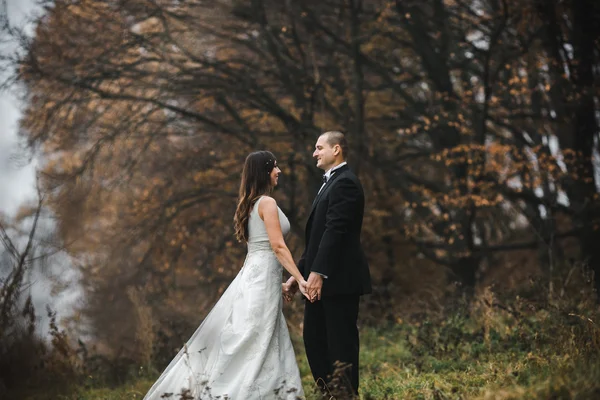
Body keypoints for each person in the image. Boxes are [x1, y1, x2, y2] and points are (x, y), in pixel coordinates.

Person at [144, 151, 309, 400]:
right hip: (259, 281)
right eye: (275, 167)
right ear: (264, 172)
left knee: (257, 340)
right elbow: (277, 247)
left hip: (257, 279)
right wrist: (300, 278)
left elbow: (260, 252)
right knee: (254, 341)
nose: (279, 171)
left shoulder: (252, 203)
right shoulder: (267, 203)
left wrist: (280, 285)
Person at [284, 131, 372, 397]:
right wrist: (296, 275)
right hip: (318, 280)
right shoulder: (329, 183)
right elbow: (317, 240)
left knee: (340, 345)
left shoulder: (346, 183)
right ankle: (329, 394)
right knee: (314, 341)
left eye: (319, 147)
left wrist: (318, 273)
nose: (314, 153)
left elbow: (336, 231)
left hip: (339, 281)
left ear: (336, 150)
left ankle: (345, 395)